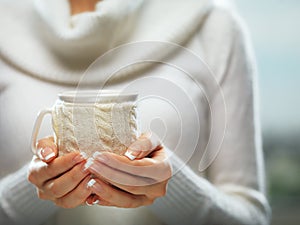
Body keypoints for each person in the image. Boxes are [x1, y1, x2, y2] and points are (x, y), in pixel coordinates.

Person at [0, 0, 271, 224]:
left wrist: (172, 185)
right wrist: (33, 188)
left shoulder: (212, 22)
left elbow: (252, 217)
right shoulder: (5, 24)